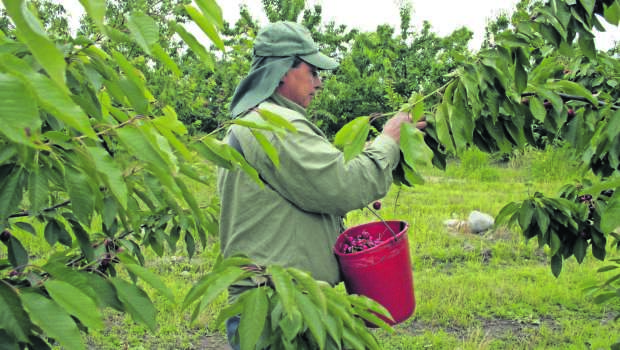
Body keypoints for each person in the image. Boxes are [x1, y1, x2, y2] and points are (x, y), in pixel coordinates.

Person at [217, 21, 425, 349]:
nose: (319, 83)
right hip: (282, 308)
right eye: (312, 71)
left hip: (279, 302)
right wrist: (389, 141)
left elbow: (321, 179)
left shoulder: (252, 121)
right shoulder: (275, 125)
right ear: (284, 70)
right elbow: (343, 185)